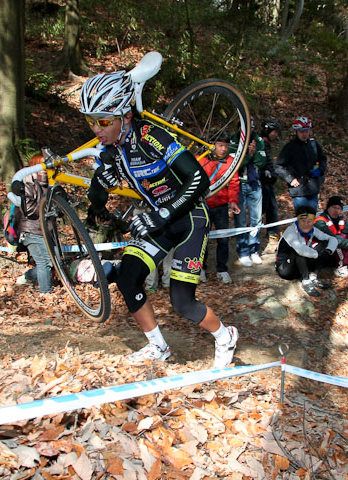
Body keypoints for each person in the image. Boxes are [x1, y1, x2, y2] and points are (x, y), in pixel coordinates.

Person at [80, 69, 238, 368]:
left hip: (189, 218)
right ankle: (158, 347)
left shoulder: (151, 136)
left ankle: (226, 336)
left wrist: (163, 212)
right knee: (129, 278)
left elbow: (198, 180)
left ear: (125, 116)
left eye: (102, 121)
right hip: (160, 221)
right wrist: (96, 211)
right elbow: (97, 190)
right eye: (91, 121)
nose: (96, 129)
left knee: (182, 302)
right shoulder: (110, 151)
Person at [275, 205, 338, 297]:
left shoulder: (313, 230)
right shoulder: (291, 231)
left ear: (313, 221)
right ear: (298, 220)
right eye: (303, 221)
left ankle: (313, 277)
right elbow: (300, 250)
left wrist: (328, 251)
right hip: (285, 268)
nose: (306, 224)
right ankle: (306, 281)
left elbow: (332, 239)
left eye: (309, 221)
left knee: (323, 244)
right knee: (299, 252)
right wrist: (318, 255)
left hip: (300, 265)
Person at [203, 133, 241, 284]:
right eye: (220, 145)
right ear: (213, 145)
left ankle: (222, 269)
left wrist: (233, 201)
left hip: (221, 206)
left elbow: (234, 182)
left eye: (226, 146)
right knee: (202, 239)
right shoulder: (203, 159)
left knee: (223, 239)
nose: (223, 149)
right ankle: (200, 269)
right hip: (204, 205)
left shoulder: (231, 161)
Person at [14, 154, 53, 294]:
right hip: (31, 231)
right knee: (44, 263)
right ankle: (46, 293)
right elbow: (29, 210)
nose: (43, 170)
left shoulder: (50, 186)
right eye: (40, 166)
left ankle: (27, 276)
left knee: (50, 263)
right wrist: (49, 208)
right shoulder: (27, 185)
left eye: (46, 166)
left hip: (46, 231)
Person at [232, 117, 266, 267]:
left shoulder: (258, 140)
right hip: (239, 183)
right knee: (240, 219)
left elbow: (262, 161)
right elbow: (235, 163)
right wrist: (248, 155)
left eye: (250, 127)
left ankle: (254, 250)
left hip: (255, 183)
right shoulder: (234, 139)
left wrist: (252, 155)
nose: (247, 130)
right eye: (244, 127)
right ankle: (243, 251)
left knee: (256, 219)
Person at [275, 116, 327, 211]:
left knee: (312, 219)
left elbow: (323, 159)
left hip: (313, 188)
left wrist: (320, 170)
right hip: (298, 191)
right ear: (296, 132)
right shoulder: (290, 147)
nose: (304, 134)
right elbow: (279, 166)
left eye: (306, 131)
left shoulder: (313, 145)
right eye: (302, 131)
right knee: (302, 219)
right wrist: (290, 179)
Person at [313, 195, 348, 278]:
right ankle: (341, 267)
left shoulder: (340, 220)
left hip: (334, 252)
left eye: (339, 208)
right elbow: (333, 239)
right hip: (322, 252)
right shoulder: (320, 222)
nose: (336, 211)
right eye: (334, 207)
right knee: (339, 240)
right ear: (328, 207)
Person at [259, 119, 282, 252]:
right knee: (262, 210)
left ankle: (273, 237)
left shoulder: (266, 144)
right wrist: (265, 173)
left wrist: (272, 174)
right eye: (274, 132)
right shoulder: (261, 143)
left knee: (272, 209)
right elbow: (260, 162)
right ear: (267, 131)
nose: (276, 135)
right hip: (262, 183)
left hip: (268, 183)